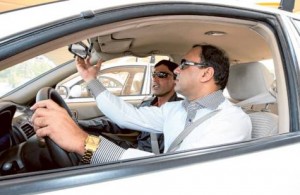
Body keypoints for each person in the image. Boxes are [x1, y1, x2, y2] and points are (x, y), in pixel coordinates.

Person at [31, 44, 252, 165]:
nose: (176, 70)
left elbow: (182, 173)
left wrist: (83, 143)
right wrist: (91, 80)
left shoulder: (232, 121)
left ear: (206, 73)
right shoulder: (176, 109)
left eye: (184, 64)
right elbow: (126, 115)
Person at [78, 60, 183, 154]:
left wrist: (90, 79)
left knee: (86, 145)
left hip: (149, 160)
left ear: (175, 79)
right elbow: (118, 122)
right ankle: (85, 161)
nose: (154, 79)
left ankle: (86, 160)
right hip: (136, 152)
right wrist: (82, 124)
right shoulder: (147, 104)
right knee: (87, 137)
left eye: (161, 75)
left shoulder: (179, 110)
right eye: (153, 74)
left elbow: (123, 115)